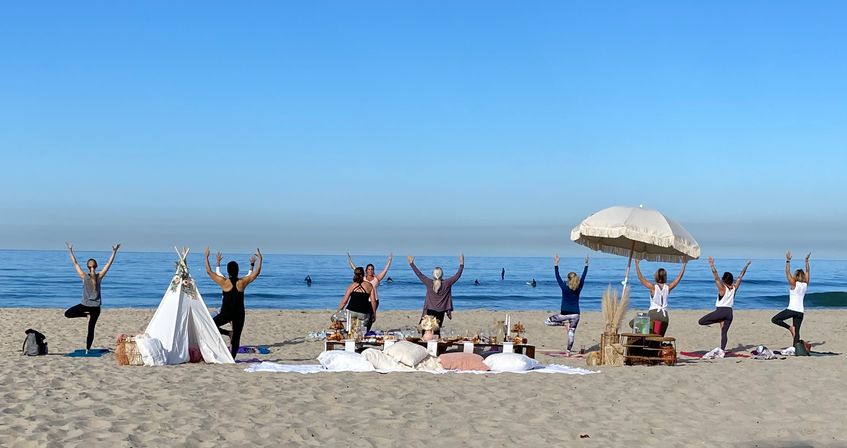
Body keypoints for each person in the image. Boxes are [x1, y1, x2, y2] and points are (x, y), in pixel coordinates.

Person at [204, 247, 263, 358]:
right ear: (237, 271)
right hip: (239, 313)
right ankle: (232, 358)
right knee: (237, 337)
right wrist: (260, 259)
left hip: (226, 313)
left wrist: (206, 257)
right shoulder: (242, 282)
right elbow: (257, 273)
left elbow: (209, 271)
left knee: (211, 324)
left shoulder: (224, 282)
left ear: (228, 271)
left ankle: (228, 333)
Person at [64, 242, 120, 353]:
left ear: (88, 267)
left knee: (68, 314)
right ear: (96, 266)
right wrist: (114, 252)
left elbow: (75, 263)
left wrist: (70, 250)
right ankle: (87, 349)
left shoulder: (84, 276)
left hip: (85, 305)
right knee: (91, 329)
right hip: (95, 308)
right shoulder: (99, 276)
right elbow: (109, 263)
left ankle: (86, 315)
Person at [698, 257, 751, 358]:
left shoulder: (722, 288)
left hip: (721, 311)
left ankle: (718, 320)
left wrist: (711, 265)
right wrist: (746, 266)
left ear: (724, 280)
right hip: (730, 313)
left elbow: (716, 277)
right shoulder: (734, 288)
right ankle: (722, 351)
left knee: (701, 321)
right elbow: (740, 276)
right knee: (724, 333)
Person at [409, 254, 464, 334]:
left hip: (429, 310)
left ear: (433, 275)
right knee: (436, 332)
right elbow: (457, 275)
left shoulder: (429, 282)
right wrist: (461, 264)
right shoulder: (447, 283)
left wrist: (411, 264)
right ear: (442, 274)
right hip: (440, 312)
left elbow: (419, 274)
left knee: (426, 331)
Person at [545, 255, 588, 355]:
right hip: (575, 315)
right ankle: (568, 351)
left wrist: (556, 264)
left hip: (564, 314)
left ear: (568, 279)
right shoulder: (579, 287)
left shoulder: (564, 287)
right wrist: (586, 265)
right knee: (571, 333)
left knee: (547, 321)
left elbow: (557, 277)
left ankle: (563, 324)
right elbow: (584, 276)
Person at [633, 259, 687, 336]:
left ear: (656, 276)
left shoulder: (653, 287)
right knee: (659, 339)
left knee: (641, 329)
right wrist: (684, 265)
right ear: (665, 277)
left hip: (653, 313)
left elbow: (640, 278)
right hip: (664, 316)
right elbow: (679, 277)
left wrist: (636, 264)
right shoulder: (668, 287)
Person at [772, 251, 811, 346]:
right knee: (797, 332)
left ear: (796, 276)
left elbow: (787, 272)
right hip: (800, 312)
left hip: (792, 310)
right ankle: (796, 348)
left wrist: (788, 261)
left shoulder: (793, 283)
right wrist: (806, 261)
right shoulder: (805, 284)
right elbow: (808, 271)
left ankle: (790, 328)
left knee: (775, 319)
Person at [347, 253, 393, 325]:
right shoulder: (363, 278)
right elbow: (355, 269)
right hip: (364, 301)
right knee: (364, 317)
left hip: (374, 300)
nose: (370, 270)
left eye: (372, 269)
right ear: (366, 270)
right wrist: (350, 261)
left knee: (371, 317)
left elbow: (385, 270)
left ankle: (367, 331)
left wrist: (389, 260)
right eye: (369, 269)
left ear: (373, 270)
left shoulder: (376, 279)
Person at [336, 266, 377, 332]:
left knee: (351, 330)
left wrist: (338, 311)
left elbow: (344, 301)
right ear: (363, 274)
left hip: (351, 312)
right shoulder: (369, 285)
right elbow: (373, 301)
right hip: (364, 313)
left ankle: (348, 334)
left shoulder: (351, 286)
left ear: (355, 274)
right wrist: (374, 313)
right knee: (362, 332)